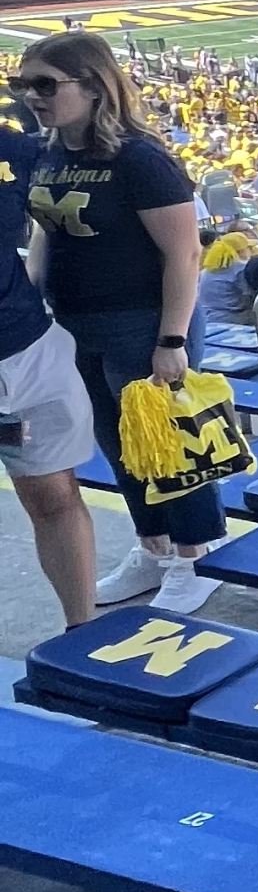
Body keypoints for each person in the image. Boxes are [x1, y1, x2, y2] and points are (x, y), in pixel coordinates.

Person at [17, 32, 226, 614]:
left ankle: (195, 556)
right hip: (76, 323)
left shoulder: (139, 157)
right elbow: (44, 233)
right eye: (20, 84)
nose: (31, 95)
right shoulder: (50, 151)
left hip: (141, 322)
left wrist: (172, 338)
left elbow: (184, 253)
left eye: (44, 84)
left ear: (92, 85)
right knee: (118, 447)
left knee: (167, 447)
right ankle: (153, 549)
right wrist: (36, 301)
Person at [0, 99, 99, 624]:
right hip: (23, 356)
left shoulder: (13, 148)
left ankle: (81, 629)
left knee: (52, 494)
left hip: (23, 359)